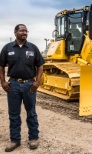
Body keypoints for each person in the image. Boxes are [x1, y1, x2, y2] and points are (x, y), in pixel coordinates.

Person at [0, 24, 44, 152]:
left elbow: (40, 65)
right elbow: (1, 66)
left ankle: (33, 138)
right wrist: (3, 82)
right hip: (12, 85)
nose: (24, 32)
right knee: (13, 114)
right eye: (22, 30)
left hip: (29, 85)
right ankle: (15, 140)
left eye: (26, 31)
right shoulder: (7, 48)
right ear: (15, 33)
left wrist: (37, 82)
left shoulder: (33, 48)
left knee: (31, 112)